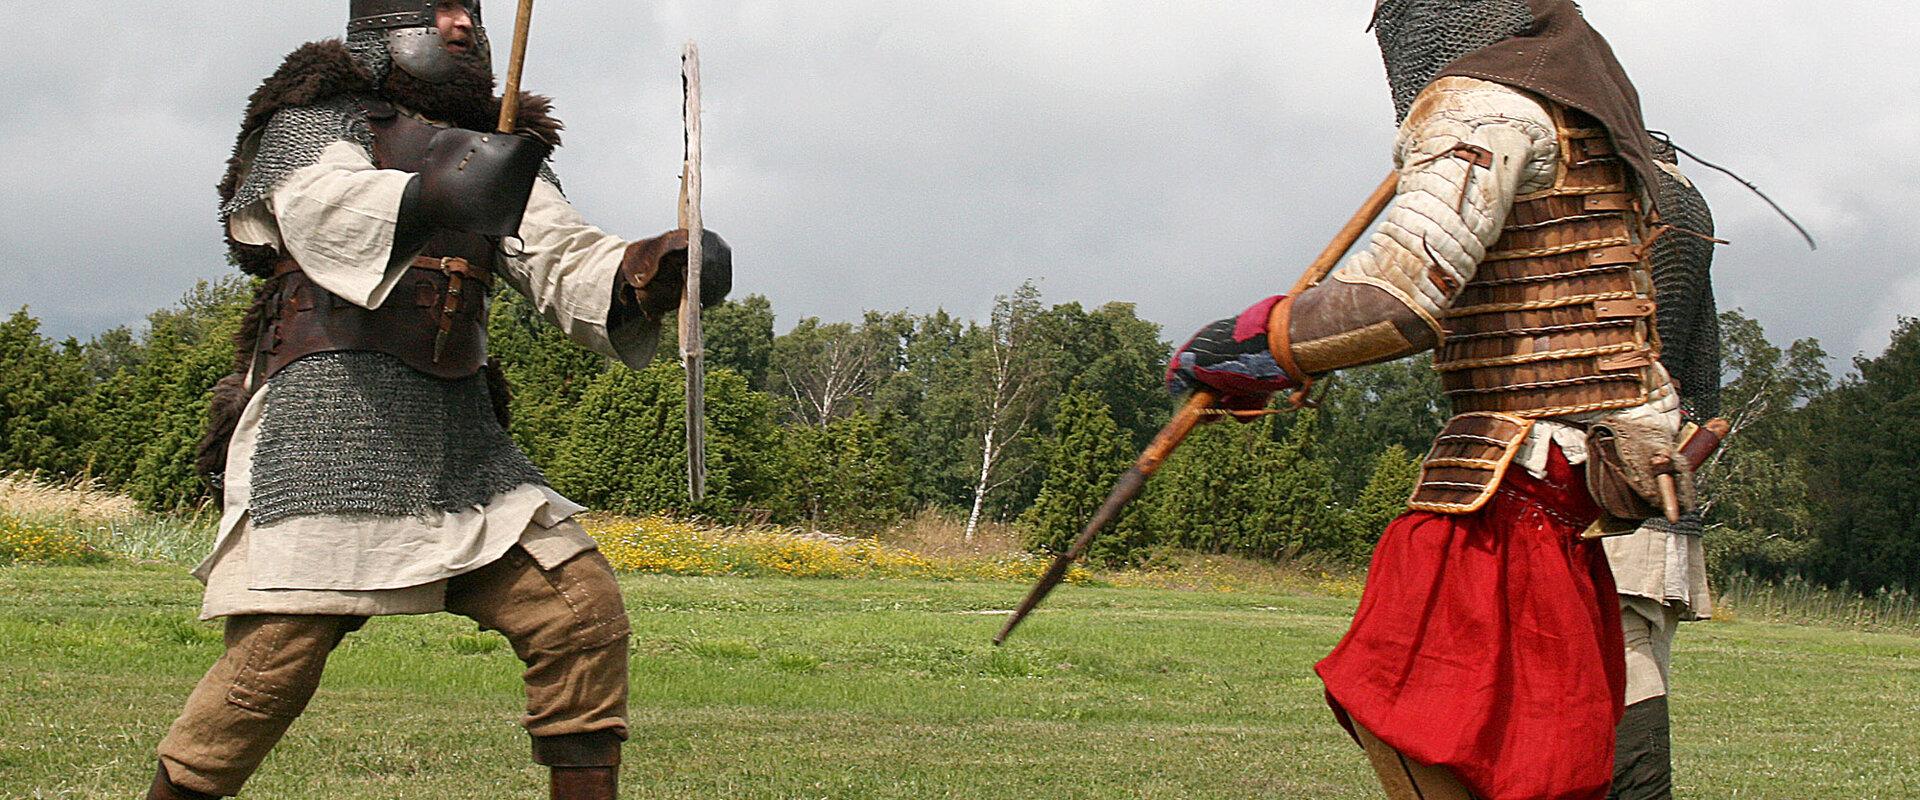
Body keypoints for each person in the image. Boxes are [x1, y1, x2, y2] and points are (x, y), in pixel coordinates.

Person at [147, 2, 730, 798]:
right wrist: (437, 192)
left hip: (461, 444)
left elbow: (559, 254)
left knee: (580, 617)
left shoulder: (499, 147)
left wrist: (649, 273)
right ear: (383, 24)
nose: (461, 25)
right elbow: (318, 209)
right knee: (269, 667)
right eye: (437, 8)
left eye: (470, 10)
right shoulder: (319, 118)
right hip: (329, 427)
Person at [1167, 1, 1700, 796]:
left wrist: (1247, 344)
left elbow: (1397, 301)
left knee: (1410, 712)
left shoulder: (1481, 108)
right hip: (1570, 483)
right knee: (1525, 757)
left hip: (1511, 481)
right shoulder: (1590, 127)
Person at [1603, 134, 1720, 800]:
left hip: (1609, 464)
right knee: (1640, 646)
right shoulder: (1692, 203)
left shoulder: (1614, 190)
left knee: (1621, 652)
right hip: (1667, 461)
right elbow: (1704, 379)